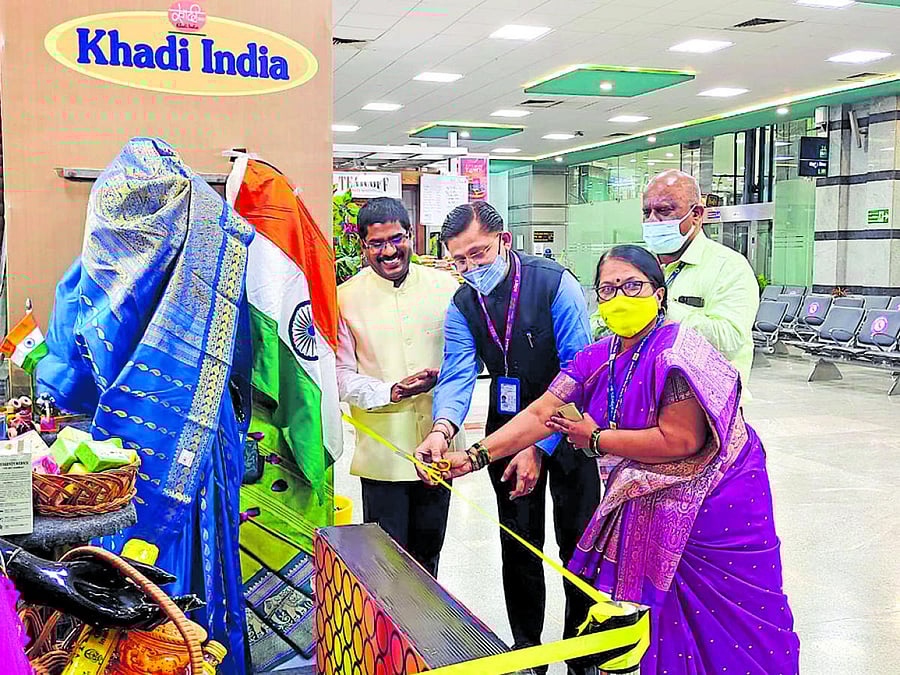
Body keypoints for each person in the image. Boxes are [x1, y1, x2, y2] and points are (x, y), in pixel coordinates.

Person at [439, 244, 800, 674]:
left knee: (725, 619)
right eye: (608, 289)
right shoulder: (601, 355)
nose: (619, 297)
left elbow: (681, 440)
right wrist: (475, 455)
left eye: (632, 286)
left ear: (658, 294)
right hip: (652, 497)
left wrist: (597, 438)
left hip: (713, 504)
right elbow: (541, 413)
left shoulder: (678, 351)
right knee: (665, 623)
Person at [37, 138, 253, 673]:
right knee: (205, 557)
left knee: (128, 566)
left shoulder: (90, 272)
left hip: (122, 447)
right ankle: (203, 654)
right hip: (204, 430)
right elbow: (237, 349)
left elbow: (67, 374)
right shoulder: (211, 249)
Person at [414, 202, 601, 674]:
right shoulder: (463, 303)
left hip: (571, 430)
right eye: (459, 260)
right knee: (518, 545)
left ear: (505, 241)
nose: (471, 268)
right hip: (505, 430)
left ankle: (583, 658)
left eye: (478, 254)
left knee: (578, 547)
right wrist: (441, 430)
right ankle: (527, 652)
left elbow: (579, 370)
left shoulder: (554, 284)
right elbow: (458, 373)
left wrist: (538, 446)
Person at [337, 197, 464, 577]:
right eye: (377, 243)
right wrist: (391, 391)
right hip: (383, 454)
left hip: (440, 448)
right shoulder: (344, 298)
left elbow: (466, 359)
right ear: (362, 245)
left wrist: (445, 376)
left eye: (397, 239)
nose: (389, 251)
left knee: (429, 555)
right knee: (385, 564)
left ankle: (427, 619)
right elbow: (340, 374)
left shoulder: (448, 288)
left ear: (411, 235)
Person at [642, 170, 759, 395]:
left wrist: (658, 308)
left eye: (664, 211)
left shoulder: (729, 266)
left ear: (696, 214)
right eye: (647, 212)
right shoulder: (638, 265)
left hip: (705, 403)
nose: (652, 221)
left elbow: (729, 341)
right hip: (644, 397)